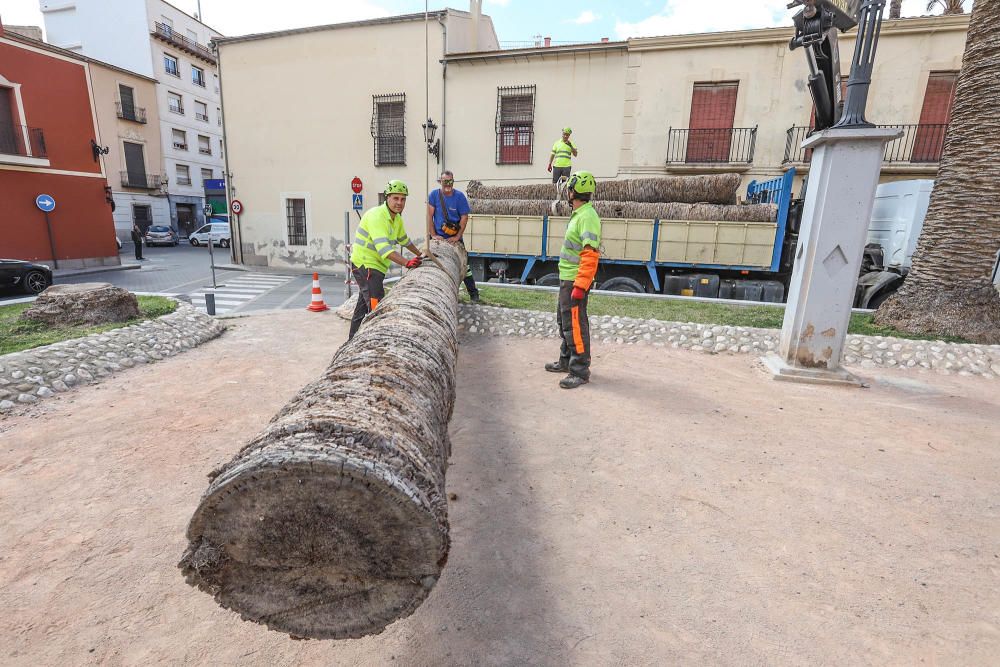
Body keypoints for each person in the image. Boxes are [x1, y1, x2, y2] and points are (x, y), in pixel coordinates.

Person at [545, 171, 601, 389]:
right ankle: (566, 360)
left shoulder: (587, 217)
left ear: (574, 192)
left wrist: (580, 285)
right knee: (565, 322)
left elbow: (590, 254)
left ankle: (579, 371)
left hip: (574, 281)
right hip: (567, 278)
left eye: (569, 189)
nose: (567, 192)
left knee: (575, 325)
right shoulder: (580, 214)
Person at [348, 180, 423, 339]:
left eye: (403, 199)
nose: (399, 203)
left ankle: (352, 340)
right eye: (396, 198)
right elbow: (385, 250)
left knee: (362, 307)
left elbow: (404, 240)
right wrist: (407, 263)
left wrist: (420, 254)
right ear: (387, 198)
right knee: (376, 307)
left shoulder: (396, 219)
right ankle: (376, 340)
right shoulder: (377, 216)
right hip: (365, 265)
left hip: (376, 267)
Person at [427, 170, 480, 303]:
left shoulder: (460, 197)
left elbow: (464, 217)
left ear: (453, 181)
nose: (447, 184)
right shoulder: (434, 195)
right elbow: (429, 215)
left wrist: (457, 237)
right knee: (428, 262)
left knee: (465, 266)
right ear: (441, 182)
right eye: (445, 181)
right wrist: (433, 235)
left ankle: (473, 293)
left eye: (450, 181)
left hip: (454, 238)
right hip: (437, 237)